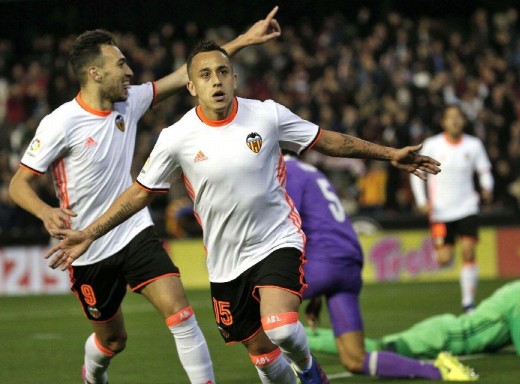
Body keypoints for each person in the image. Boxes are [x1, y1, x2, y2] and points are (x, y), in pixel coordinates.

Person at [44, 40, 442, 384]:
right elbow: (138, 194)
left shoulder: (267, 115)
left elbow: (328, 140)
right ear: (190, 85)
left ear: (234, 78)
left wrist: (390, 154)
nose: (216, 80)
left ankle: (308, 369)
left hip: (277, 240)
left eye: (223, 72)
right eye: (205, 75)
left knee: (282, 327)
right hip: (224, 263)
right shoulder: (176, 138)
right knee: (263, 356)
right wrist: (91, 232)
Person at [8, 8, 282, 384]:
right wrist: (44, 211)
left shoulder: (130, 102)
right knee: (113, 340)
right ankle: (93, 374)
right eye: (120, 64)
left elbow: (186, 75)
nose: (129, 71)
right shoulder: (61, 123)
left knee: (181, 314)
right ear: (95, 73)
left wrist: (242, 41)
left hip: (133, 230)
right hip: (86, 247)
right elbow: (17, 184)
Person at [284, 153, 479, 381]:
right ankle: (439, 370)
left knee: (257, 307)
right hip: (348, 262)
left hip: (324, 262)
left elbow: (289, 227)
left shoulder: (286, 173)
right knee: (354, 359)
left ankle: (302, 375)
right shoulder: (311, 172)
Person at [306, 256, 520, 358]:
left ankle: (303, 335)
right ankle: (301, 337)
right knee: (367, 350)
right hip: (441, 337)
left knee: (370, 347)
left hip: (444, 333)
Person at [410, 105, 494, 312]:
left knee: (468, 251)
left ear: (464, 121)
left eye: (458, 117)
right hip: (440, 210)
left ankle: (468, 303)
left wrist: (487, 187)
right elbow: (416, 172)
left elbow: (484, 171)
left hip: (467, 207)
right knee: (444, 260)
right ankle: (448, 249)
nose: (455, 121)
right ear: (444, 122)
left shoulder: (474, 145)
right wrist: (421, 201)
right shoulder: (432, 144)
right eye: (451, 118)